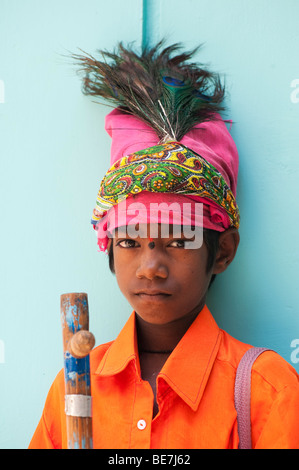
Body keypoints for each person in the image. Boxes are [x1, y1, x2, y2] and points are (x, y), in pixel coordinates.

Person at [29, 42, 299, 449]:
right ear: (109, 246)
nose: (150, 266)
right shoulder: (75, 389)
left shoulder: (268, 391)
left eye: (178, 239)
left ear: (222, 251)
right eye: (129, 241)